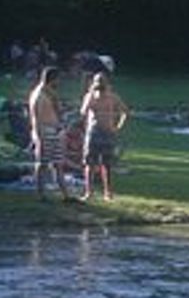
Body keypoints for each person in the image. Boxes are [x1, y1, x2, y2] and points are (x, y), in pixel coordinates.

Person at [79, 72, 130, 202]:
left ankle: (108, 193)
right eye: (98, 81)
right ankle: (88, 192)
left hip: (108, 132)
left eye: (102, 81)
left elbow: (125, 112)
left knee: (106, 164)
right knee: (89, 163)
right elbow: (83, 112)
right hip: (93, 132)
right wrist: (91, 97)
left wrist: (118, 127)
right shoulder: (90, 96)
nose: (100, 84)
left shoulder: (113, 97)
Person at [27, 66, 70, 200]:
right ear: (52, 79)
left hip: (54, 131)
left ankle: (65, 195)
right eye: (58, 79)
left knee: (58, 164)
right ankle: (41, 194)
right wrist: (39, 137)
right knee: (42, 164)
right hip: (45, 132)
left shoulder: (50, 93)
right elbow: (36, 118)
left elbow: (56, 111)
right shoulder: (38, 95)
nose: (60, 82)